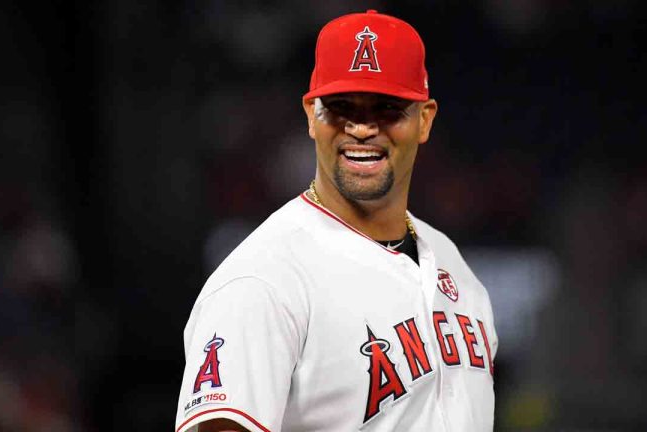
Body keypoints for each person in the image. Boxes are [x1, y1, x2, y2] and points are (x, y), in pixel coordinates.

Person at [175, 10, 497, 432]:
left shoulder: (456, 268)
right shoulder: (263, 282)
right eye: (341, 107)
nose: (362, 127)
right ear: (311, 116)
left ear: (424, 120)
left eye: (386, 108)